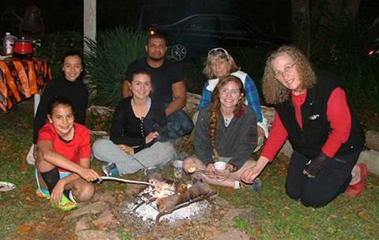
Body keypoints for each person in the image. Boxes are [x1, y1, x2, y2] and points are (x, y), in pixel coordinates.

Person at [241, 45, 367, 208]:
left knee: (312, 199)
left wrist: (319, 162)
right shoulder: (282, 95)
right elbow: (280, 130)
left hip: (341, 148)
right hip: (309, 147)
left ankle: (353, 174)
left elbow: (341, 131)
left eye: (288, 67)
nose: (285, 75)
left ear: (300, 63)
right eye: (278, 72)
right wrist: (259, 165)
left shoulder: (328, 87)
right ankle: (326, 172)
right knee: (293, 191)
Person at [183, 75, 262, 191]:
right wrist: (208, 163)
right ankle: (236, 184)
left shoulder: (248, 115)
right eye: (224, 91)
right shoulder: (206, 113)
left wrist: (232, 165)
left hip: (235, 162)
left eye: (234, 92)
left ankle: (204, 178)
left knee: (253, 166)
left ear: (240, 96)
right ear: (218, 94)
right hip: (211, 160)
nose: (228, 96)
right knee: (188, 164)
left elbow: (248, 145)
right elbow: (200, 142)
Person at [93, 70, 176, 176]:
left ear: (151, 87)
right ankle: (143, 164)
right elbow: (115, 137)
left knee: (166, 150)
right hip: (126, 146)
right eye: (138, 83)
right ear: (130, 86)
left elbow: (161, 136)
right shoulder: (123, 106)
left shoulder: (157, 106)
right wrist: (140, 142)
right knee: (98, 146)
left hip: (150, 148)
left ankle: (120, 168)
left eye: (146, 84)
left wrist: (136, 150)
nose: (142, 88)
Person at [122, 32, 193, 140]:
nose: (157, 49)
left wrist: (162, 114)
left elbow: (181, 98)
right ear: (147, 48)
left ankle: (150, 136)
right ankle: (152, 135)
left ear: (165, 49)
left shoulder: (173, 68)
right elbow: (127, 89)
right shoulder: (136, 66)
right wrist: (134, 111)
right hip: (142, 106)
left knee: (187, 125)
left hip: (164, 108)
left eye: (160, 46)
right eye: (153, 46)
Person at [35, 97, 101, 211]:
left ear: (73, 116)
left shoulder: (82, 132)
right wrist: (81, 170)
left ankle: (64, 193)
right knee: (43, 154)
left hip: (71, 176)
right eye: (59, 117)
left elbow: (84, 168)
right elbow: (47, 154)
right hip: (48, 175)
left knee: (87, 191)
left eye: (69, 116)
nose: (65, 122)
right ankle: (51, 192)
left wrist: (62, 182)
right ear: (50, 118)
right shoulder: (46, 131)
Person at [199, 47, 268, 150]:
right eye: (213, 63)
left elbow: (254, 104)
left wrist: (257, 123)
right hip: (219, 120)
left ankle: (238, 154)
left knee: (255, 136)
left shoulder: (244, 78)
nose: (217, 67)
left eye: (221, 62)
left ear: (229, 62)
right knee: (198, 118)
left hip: (243, 118)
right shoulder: (210, 84)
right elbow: (204, 107)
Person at [33, 50, 88, 160]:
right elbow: (41, 112)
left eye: (77, 66)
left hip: (70, 129)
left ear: (82, 68)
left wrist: (77, 140)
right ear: (62, 67)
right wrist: (35, 142)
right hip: (53, 128)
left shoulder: (82, 89)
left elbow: (80, 117)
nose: (72, 70)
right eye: (68, 66)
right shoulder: (53, 85)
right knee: (46, 156)